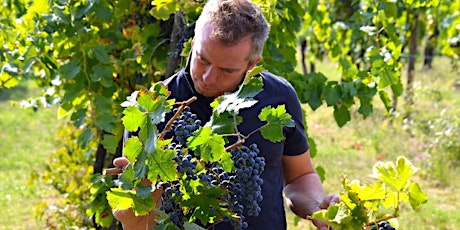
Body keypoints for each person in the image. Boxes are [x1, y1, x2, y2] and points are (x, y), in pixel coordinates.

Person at [112, 0, 339, 229]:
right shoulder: (150, 110)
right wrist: (134, 217)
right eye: (203, 59)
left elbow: (300, 177)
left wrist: (316, 208)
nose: (208, 77)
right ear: (193, 43)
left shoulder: (278, 97)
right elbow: (141, 219)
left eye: (227, 70)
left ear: (252, 65)